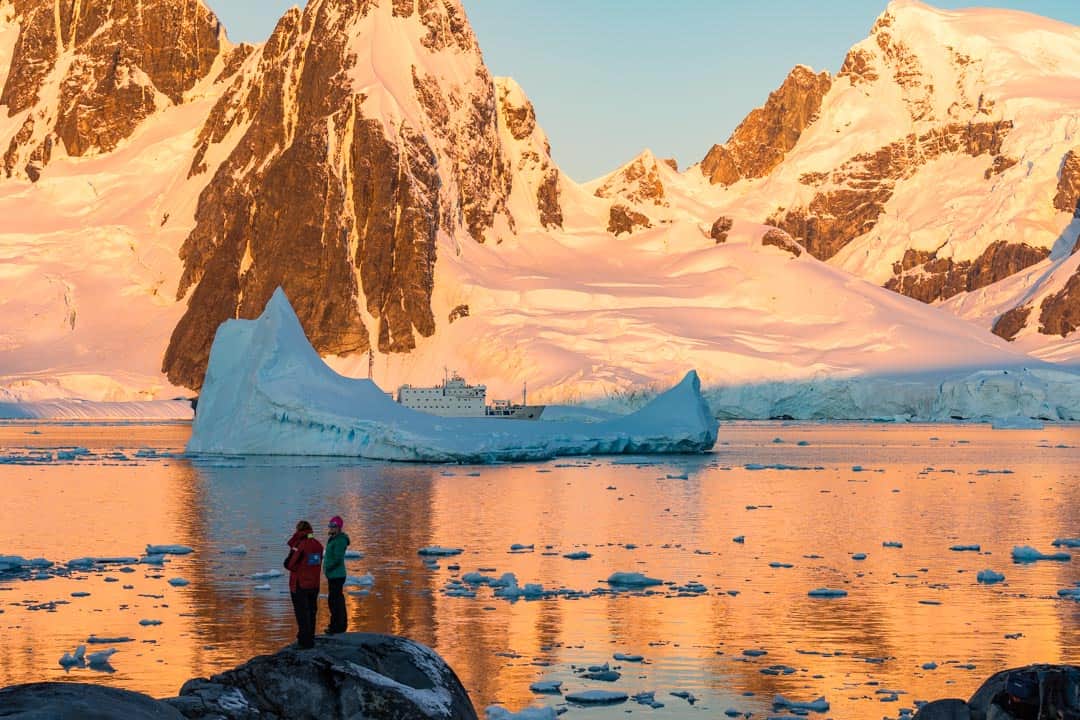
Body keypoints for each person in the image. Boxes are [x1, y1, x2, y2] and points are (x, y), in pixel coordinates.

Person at [285, 520, 323, 649]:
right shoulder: (317, 544)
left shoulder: (300, 545)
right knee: (312, 611)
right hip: (314, 584)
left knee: (301, 613)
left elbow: (290, 564)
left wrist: (295, 542)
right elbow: (315, 562)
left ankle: (304, 641)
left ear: (299, 531)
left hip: (300, 584)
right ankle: (310, 637)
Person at [323, 515, 351, 634]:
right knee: (334, 600)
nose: (331, 528)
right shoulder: (333, 538)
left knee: (335, 602)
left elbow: (338, 558)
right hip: (333, 575)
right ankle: (337, 625)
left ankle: (337, 627)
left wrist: (328, 567)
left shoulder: (340, 540)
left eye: (333, 526)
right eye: (330, 525)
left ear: (338, 527)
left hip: (337, 575)